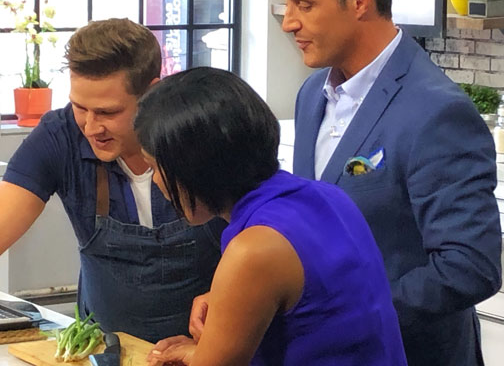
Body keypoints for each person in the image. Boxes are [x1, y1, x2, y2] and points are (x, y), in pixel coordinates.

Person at [0, 18, 225, 363]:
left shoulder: (203, 134)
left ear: (153, 93)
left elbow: (267, 236)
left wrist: (226, 304)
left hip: (210, 351)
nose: (90, 126)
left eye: (107, 112)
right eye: (79, 107)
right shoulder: (60, 137)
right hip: (106, 352)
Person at [280, 0, 502, 365]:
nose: (288, 22)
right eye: (287, 2)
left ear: (360, 0)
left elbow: (470, 267)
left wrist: (347, 315)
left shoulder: (436, 111)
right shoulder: (312, 94)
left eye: (304, 4)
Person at [137, 67, 407, 365]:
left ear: (194, 169)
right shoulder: (328, 196)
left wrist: (204, 352)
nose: (156, 182)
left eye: (156, 168)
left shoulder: (254, 250)